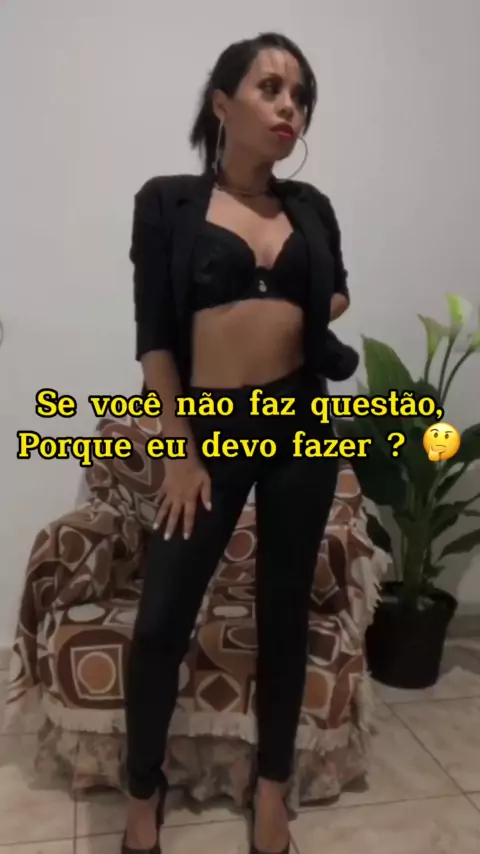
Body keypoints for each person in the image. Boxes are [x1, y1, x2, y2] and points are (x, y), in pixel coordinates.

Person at [124, 31, 357, 854]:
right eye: (271, 88)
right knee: (161, 621)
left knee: (283, 611)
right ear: (223, 103)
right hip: (208, 433)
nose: (290, 106)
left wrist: (289, 303)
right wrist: (180, 451)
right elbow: (157, 339)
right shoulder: (167, 203)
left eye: (301, 96)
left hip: (299, 424)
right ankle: (143, 791)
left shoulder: (311, 206)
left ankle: (271, 790)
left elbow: (336, 294)